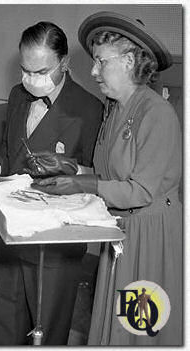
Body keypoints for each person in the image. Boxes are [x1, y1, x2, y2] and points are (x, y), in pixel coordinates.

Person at [33, 11, 182, 345]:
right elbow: (107, 174)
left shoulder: (157, 113)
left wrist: (83, 184)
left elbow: (141, 190)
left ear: (129, 62)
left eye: (100, 62)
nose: (93, 71)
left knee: (139, 326)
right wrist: (69, 167)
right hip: (121, 231)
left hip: (149, 235)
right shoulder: (115, 109)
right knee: (118, 321)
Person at [0, 21, 103, 345]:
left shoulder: (89, 109)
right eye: (25, 70)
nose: (31, 79)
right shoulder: (18, 96)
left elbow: (96, 176)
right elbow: (9, 151)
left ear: (65, 64)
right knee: (6, 313)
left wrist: (68, 169)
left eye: (41, 71)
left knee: (47, 326)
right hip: (14, 228)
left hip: (56, 238)